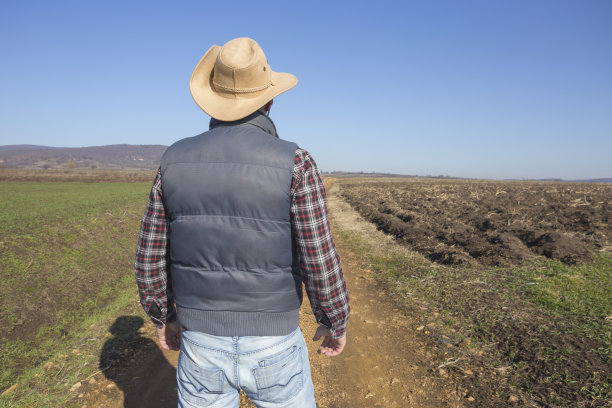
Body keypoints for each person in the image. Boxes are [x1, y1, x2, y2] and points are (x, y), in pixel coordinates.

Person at [134, 37, 350, 407]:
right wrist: (334, 319)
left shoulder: (173, 160)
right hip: (275, 343)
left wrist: (162, 316)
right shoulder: (296, 162)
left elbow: (149, 257)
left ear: (213, 97)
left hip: (200, 341)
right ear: (269, 99)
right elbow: (318, 256)